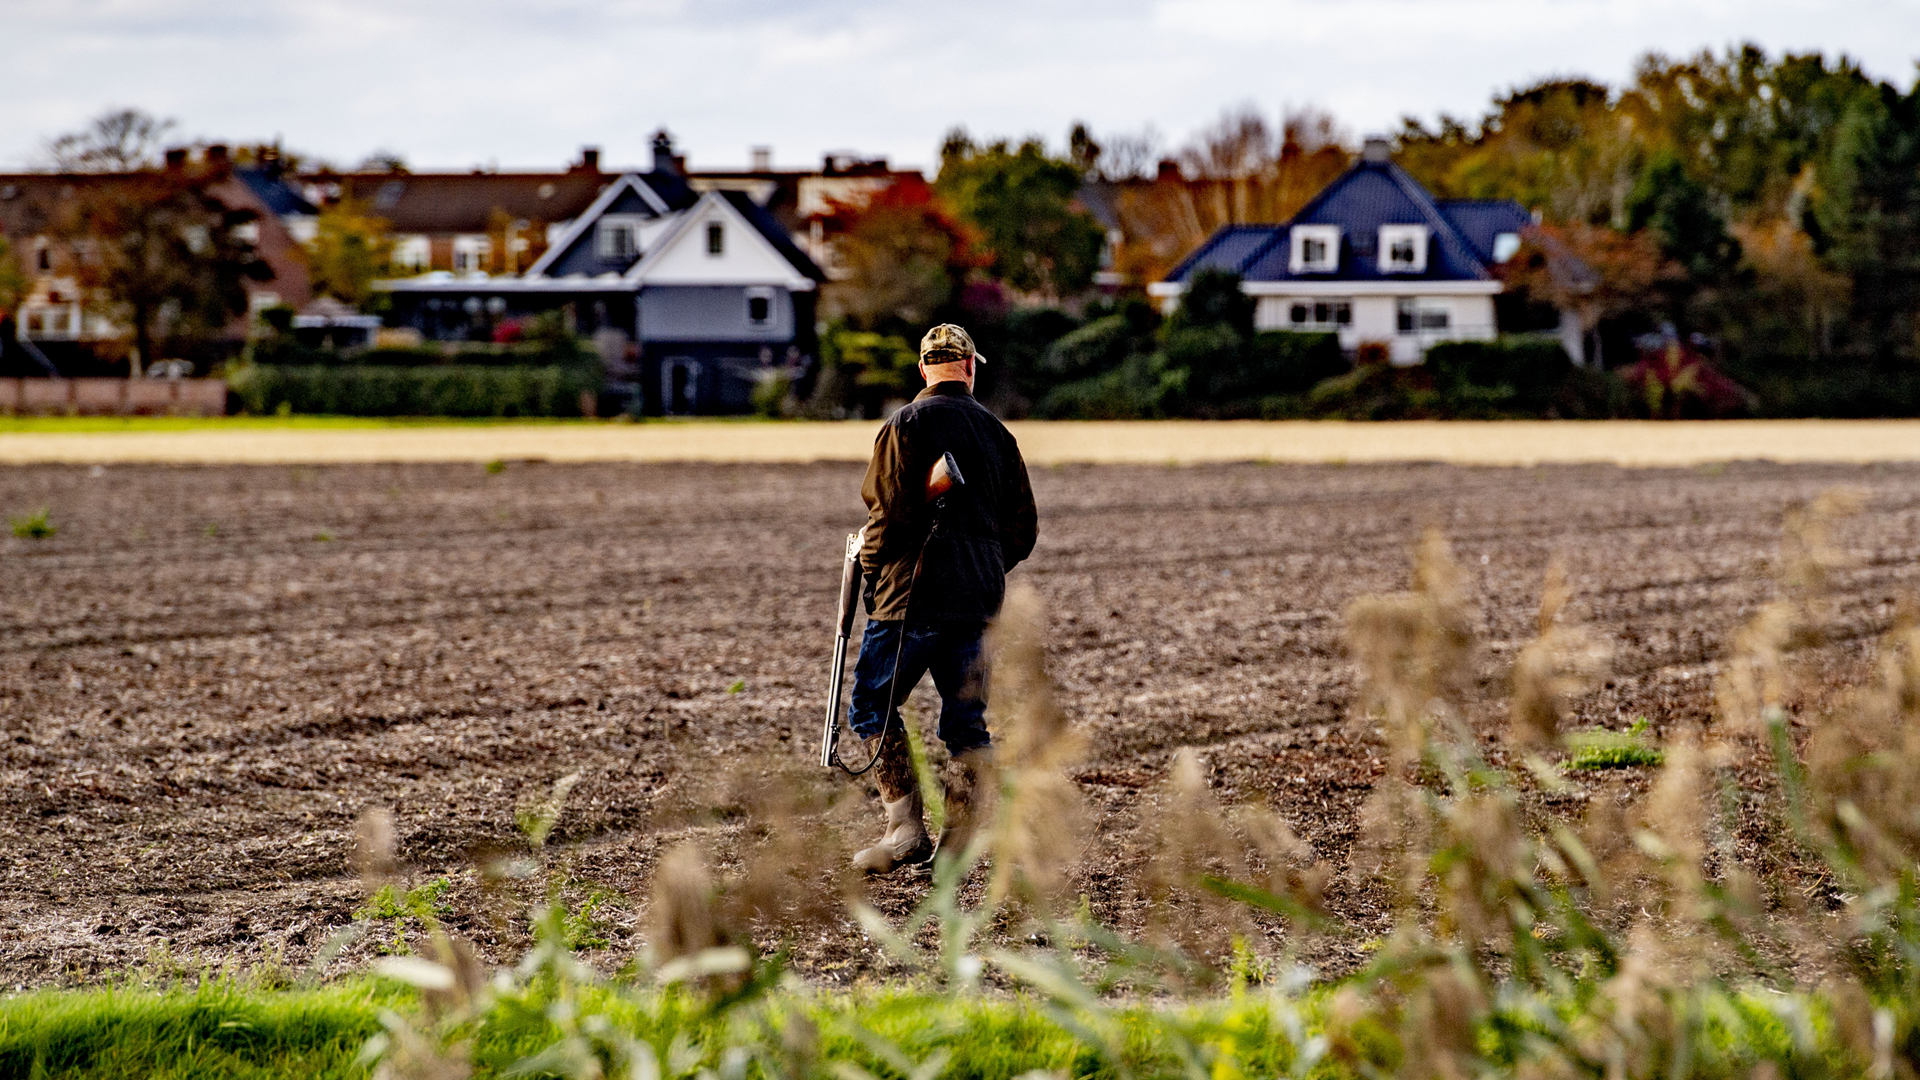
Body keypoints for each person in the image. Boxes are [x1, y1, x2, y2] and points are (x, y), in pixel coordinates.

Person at [846, 323, 1038, 874]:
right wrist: (980, 566)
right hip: (979, 602)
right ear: (970, 368)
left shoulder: (904, 424)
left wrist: (871, 571)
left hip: (910, 597)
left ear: (923, 369)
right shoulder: (1000, 435)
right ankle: (957, 845)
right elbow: (1022, 531)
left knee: (871, 706)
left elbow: (887, 516)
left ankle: (904, 831)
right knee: (966, 724)